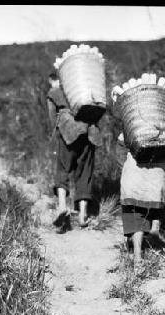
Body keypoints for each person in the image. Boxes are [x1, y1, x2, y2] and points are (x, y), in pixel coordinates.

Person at [117, 129, 165, 267]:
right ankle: (155, 225)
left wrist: (124, 167)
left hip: (135, 172)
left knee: (135, 215)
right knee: (156, 198)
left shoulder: (132, 124)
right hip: (158, 174)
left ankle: (137, 256)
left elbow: (120, 147)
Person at [46, 72, 102, 233]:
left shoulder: (55, 92)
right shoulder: (85, 88)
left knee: (62, 169)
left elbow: (51, 117)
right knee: (85, 173)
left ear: (55, 80)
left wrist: (58, 131)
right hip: (89, 132)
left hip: (68, 132)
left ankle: (63, 206)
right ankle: (83, 214)